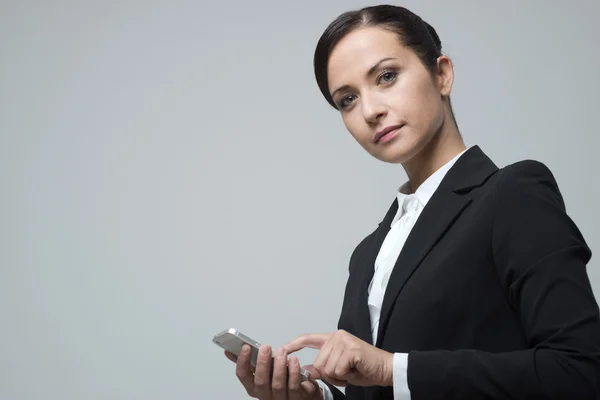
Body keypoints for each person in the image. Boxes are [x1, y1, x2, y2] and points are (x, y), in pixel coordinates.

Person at [224, 4, 600, 399]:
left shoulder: (512, 194)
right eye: (347, 99)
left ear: (442, 74)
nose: (370, 111)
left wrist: (392, 367)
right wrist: (314, 397)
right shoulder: (368, 254)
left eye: (386, 77)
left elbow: (581, 370)